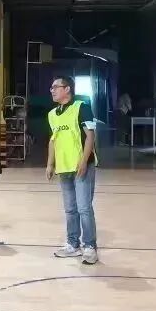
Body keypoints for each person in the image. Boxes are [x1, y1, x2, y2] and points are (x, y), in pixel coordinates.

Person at [46, 75, 99, 264]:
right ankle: (72, 244)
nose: (52, 90)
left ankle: (90, 246)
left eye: (56, 87)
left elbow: (90, 136)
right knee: (70, 209)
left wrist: (84, 161)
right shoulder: (52, 114)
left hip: (81, 166)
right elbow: (53, 140)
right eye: (51, 88)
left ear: (67, 89)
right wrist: (50, 163)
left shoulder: (81, 107)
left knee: (84, 207)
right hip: (63, 167)